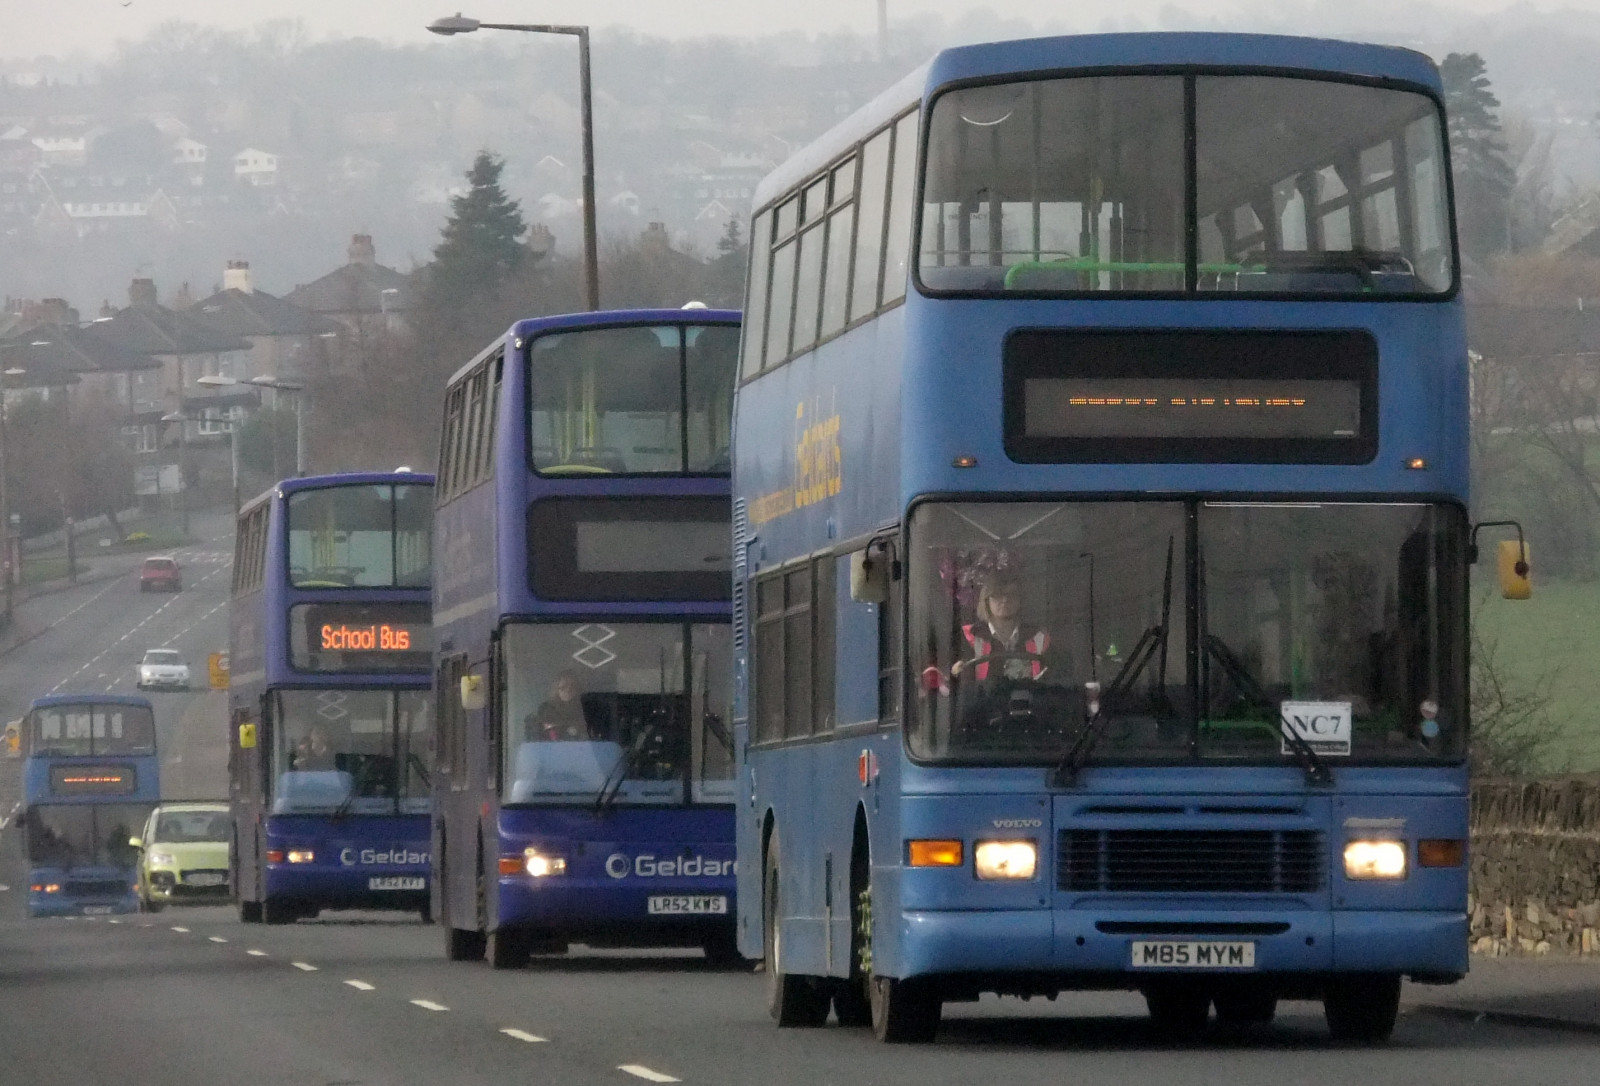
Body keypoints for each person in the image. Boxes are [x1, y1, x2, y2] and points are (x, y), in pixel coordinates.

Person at [952, 574, 1051, 683]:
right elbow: (953, 680)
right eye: (997, 594)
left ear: (1020, 600)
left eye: (1011, 594)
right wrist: (956, 670)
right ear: (986, 600)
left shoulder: (1039, 636)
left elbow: (1052, 675)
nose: (1004, 600)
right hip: (982, 698)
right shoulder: (969, 636)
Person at [525, 670, 588, 741]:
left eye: (572, 686)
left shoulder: (585, 708)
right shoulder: (546, 709)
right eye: (563, 687)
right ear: (556, 689)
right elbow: (541, 734)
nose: (568, 690)